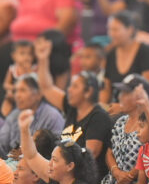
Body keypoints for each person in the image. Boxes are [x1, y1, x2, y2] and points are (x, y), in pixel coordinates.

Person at [34, 38, 112, 167]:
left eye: (75, 87)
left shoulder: (98, 117)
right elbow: (46, 87)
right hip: (64, 168)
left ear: (88, 92)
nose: (69, 90)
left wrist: (58, 164)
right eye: (70, 85)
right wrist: (43, 59)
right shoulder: (72, 107)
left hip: (82, 175)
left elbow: (90, 155)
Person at [93, 75, 149, 184]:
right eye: (121, 92)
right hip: (112, 183)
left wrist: (128, 177)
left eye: (126, 93)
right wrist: (116, 171)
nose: (120, 97)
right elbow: (109, 152)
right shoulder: (120, 121)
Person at [18, 110, 99, 184]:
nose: (50, 163)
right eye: (51, 158)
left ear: (70, 166)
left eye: (55, 160)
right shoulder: (56, 179)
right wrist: (24, 129)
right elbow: (31, 156)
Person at [0, 75, 65, 156]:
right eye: (16, 91)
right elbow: (1, 144)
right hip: (12, 160)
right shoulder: (14, 115)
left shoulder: (52, 116)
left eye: (22, 90)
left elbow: (57, 151)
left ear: (38, 94)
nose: (17, 95)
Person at [101, 14, 149, 104]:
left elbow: (148, 88)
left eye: (115, 30)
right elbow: (106, 89)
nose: (111, 34)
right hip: (117, 107)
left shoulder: (146, 52)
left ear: (130, 30)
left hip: (140, 106)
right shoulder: (110, 54)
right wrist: (102, 107)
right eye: (109, 29)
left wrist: (123, 106)